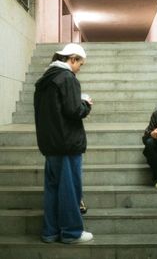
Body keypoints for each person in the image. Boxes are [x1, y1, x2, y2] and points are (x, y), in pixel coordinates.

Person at [34, 43, 93, 244]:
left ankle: (50, 232)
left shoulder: (44, 80)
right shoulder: (67, 78)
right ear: (73, 59)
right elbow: (74, 111)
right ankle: (71, 232)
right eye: (80, 64)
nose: (79, 69)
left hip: (50, 144)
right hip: (66, 143)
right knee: (69, 189)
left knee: (53, 189)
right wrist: (85, 104)